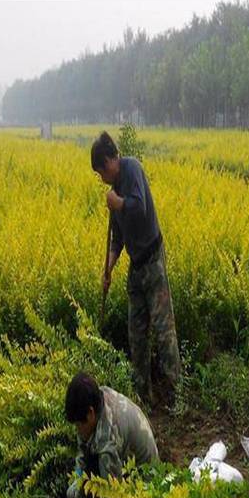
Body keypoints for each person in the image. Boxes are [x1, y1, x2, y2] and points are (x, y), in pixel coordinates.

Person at [91, 131, 181, 409]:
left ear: (109, 161)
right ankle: (143, 395)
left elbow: (139, 207)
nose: (101, 178)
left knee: (164, 329)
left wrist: (117, 202)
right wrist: (108, 267)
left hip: (153, 259)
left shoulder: (131, 168)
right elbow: (117, 237)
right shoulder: (114, 190)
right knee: (136, 333)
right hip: (135, 265)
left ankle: (177, 394)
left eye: (100, 172)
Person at [64, 372, 159, 498]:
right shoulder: (97, 399)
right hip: (125, 463)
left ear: (90, 413)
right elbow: (84, 450)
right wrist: (78, 480)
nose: (78, 431)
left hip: (146, 486)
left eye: (78, 425)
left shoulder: (108, 442)